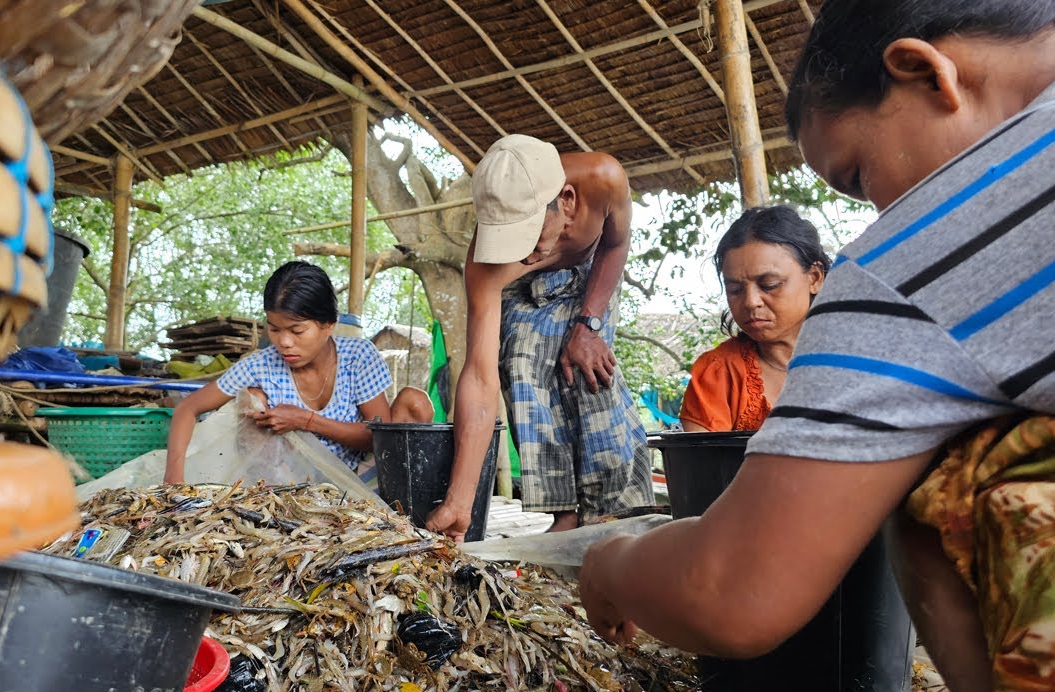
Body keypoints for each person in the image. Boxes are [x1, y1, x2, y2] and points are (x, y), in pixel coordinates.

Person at [578, 2, 1055, 692]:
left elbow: (731, 592)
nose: (881, 210)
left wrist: (608, 562)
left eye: (859, 175)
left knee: (943, 476)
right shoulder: (719, 369)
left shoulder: (918, 255)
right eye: (736, 288)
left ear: (925, 72)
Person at [426, 134, 653, 541]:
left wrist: (588, 325)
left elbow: (616, 244)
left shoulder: (604, 178)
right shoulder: (485, 266)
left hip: (593, 280)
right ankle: (562, 512)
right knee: (520, 362)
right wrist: (459, 500)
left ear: (567, 201)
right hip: (524, 293)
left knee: (588, 371)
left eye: (529, 235)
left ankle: (615, 512)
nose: (524, 254)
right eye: (509, 241)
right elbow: (479, 377)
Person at [163, 261, 429, 484]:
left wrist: (306, 420)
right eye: (274, 329)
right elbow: (188, 408)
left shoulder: (358, 356)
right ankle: (276, 504)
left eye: (297, 330)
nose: (284, 342)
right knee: (252, 398)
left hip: (359, 478)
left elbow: (378, 438)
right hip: (292, 483)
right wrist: (173, 479)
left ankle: (409, 503)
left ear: (329, 325)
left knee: (413, 401)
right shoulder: (260, 365)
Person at [679, 206, 830, 432]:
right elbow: (702, 455)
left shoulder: (861, 357)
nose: (751, 302)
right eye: (735, 290)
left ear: (815, 278)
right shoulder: (719, 374)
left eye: (769, 285)